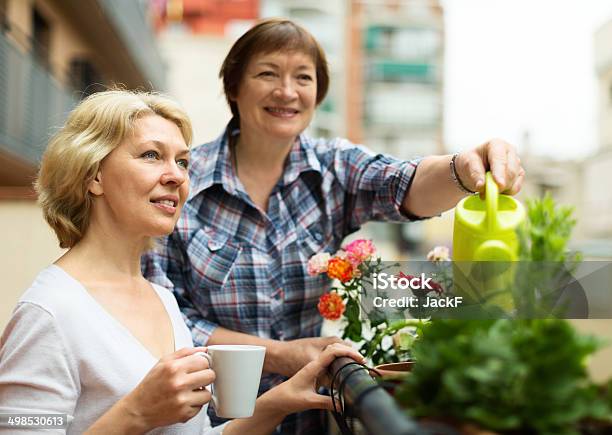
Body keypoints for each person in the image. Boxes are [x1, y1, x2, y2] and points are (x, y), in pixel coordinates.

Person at [143, 18, 525, 434]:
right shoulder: (182, 180)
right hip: (210, 422)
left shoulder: (333, 168)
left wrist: (462, 170)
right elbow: (165, 318)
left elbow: (404, 184)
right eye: (267, 73)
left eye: (303, 78)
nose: (287, 91)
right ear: (234, 87)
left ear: (318, 95)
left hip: (305, 421)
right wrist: (281, 355)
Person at [0, 90, 365, 435]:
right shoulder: (49, 313)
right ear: (93, 175)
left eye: (183, 161)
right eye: (150, 155)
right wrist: (135, 413)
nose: (177, 176)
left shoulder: (163, 299)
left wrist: (279, 403)